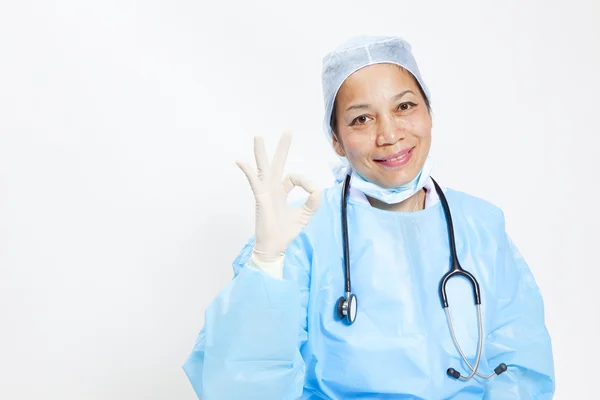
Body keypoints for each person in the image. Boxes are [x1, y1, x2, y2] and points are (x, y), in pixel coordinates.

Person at [183, 36, 555, 399]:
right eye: (362, 118)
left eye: (405, 107)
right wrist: (265, 267)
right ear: (336, 140)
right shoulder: (301, 235)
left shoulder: (481, 226)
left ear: (429, 113)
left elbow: (522, 369)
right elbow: (240, 385)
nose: (390, 134)